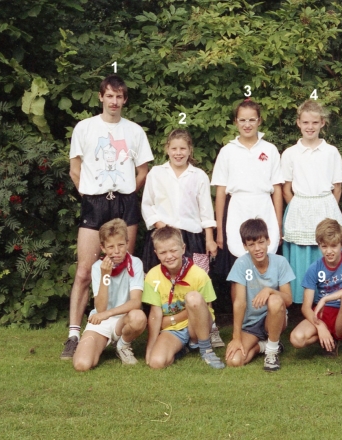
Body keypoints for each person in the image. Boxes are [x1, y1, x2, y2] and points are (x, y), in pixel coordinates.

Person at [61, 74, 154, 360]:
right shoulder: (85, 128)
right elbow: (74, 169)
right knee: (84, 271)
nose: (114, 101)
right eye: (109, 96)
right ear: (101, 96)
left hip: (125, 204)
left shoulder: (135, 131)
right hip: (94, 203)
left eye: (119, 96)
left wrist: (126, 192)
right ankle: (74, 334)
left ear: (125, 100)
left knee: (124, 266)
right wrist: (89, 195)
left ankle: (122, 334)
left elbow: (144, 170)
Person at [140, 129, 224, 347]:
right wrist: (162, 227)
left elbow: (206, 211)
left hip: (193, 236)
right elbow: (147, 205)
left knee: (200, 282)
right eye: (174, 148)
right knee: (161, 283)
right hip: (163, 235)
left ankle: (209, 328)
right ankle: (162, 329)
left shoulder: (199, 176)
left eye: (183, 148)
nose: (178, 153)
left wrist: (209, 238)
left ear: (190, 150)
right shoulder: (156, 173)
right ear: (167, 149)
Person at [281, 100, 342, 304]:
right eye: (305, 122)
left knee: (330, 249)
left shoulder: (331, 152)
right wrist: (299, 208)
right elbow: (286, 189)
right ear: (298, 123)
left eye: (314, 122)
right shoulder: (290, 153)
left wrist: (328, 211)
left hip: (326, 205)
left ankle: (334, 301)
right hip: (299, 206)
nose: (310, 127)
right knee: (303, 255)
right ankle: (305, 304)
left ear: (322, 123)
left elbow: (337, 187)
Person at [211, 99, 284, 275]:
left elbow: (277, 190)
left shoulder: (270, 149)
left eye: (252, 120)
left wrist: (279, 226)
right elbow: (220, 192)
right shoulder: (227, 151)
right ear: (235, 121)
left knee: (265, 255)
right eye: (242, 120)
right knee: (239, 258)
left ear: (259, 120)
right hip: (237, 209)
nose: (247, 124)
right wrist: (220, 231)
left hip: (264, 206)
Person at [289, 219, 342, 376]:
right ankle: (328, 340)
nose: (329, 251)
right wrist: (320, 326)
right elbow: (306, 306)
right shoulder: (314, 267)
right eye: (324, 246)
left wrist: (326, 298)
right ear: (319, 246)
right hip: (323, 315)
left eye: (333, 246)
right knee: (296, 339)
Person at [143, 226, 225, 370]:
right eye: (163, 252)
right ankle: (183, 348)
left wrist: (173, 319)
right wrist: (150, 348)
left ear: (183, 248)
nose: (169, 256)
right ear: (156, 254)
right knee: (156, 362)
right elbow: (155, 314)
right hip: (172, 329)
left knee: (194, 298)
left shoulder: (199, 274)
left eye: (173, 250)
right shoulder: (152, 276)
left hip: (197, 325)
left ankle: (205, 349)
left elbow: (207, 308)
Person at [72, 219, 147, 371]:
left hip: (124, 319)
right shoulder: (97, 267)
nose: (116, 251)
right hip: (101, 320)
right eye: (111, 247)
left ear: (127, 243)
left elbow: (135, 302)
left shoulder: (136, 263)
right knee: (82, 364)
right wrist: (105, 275)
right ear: (103, 248)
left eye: (120, 245)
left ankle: (123, 345)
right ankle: (96, 343)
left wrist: (108, 314)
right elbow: (100, 308)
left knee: (138, 317)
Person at [225, 219, 294, 372]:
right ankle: (262, 347)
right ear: (245, 246)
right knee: (234, 361)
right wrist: (236, 337)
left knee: (275, 299)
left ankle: (272, 351)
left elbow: (288, 300)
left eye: (261, 242)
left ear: (268, 241)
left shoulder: (280, 262)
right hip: (250, 323)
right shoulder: (241, 264)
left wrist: (269, 290)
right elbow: (240, 303)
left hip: (274, 319)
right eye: (251, 244)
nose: (257, 248)